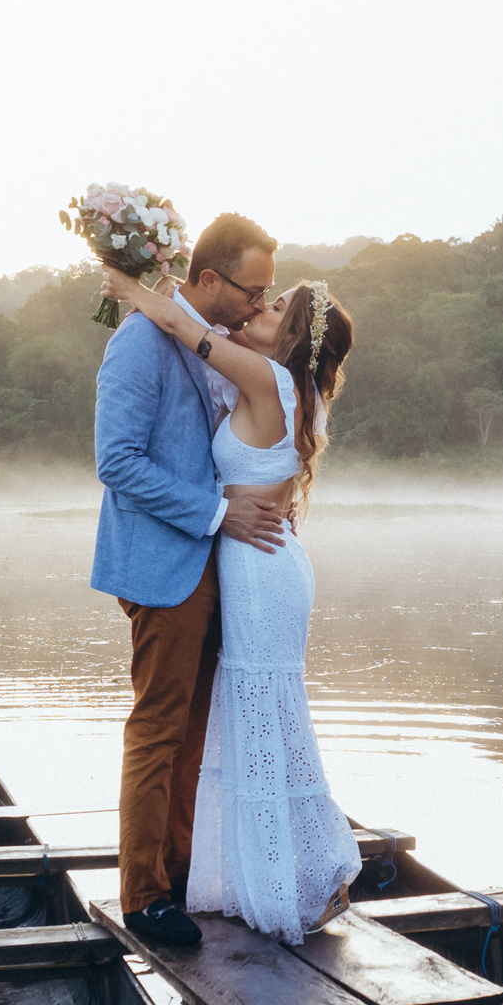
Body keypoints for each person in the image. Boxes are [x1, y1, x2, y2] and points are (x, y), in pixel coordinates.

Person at [99, 260, 360, 945]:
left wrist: (130, 288)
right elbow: (202, 316)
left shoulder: (266, 376)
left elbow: (188, 325)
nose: (258, 309)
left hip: (257, 565)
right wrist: (167, 271)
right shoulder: (295, 385)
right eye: (257, 295)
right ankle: (264, 870)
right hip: (262, 565)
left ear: (293, 337)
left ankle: (308, 869)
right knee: (257, 720)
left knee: (261, 720)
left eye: (274, 308)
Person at [91, 212, 293, 948]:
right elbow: (118, 462)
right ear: (208, 279)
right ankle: (144, 897)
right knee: (159, 729)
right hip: (165, 563)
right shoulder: (140, 342)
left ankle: (177, 875)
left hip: (216, 567)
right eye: (251, 289)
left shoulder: (213, 345)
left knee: (196, 733)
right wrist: (216, 513)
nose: (255, 304)